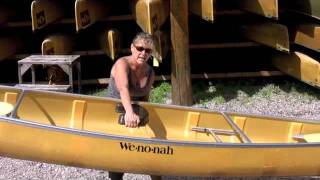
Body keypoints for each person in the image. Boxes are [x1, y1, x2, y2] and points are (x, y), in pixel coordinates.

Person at [106, 32, 160, 180]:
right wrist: (129, 112)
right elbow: (123, 89)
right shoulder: (122, 64)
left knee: (153, 148)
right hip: (115, 110)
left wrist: (148, 120)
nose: (143, 53)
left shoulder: (150, 72)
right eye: (140, 48)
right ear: (132, 48)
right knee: (118, 155)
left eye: (147, 50)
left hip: (135, 111)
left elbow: (145, 99)